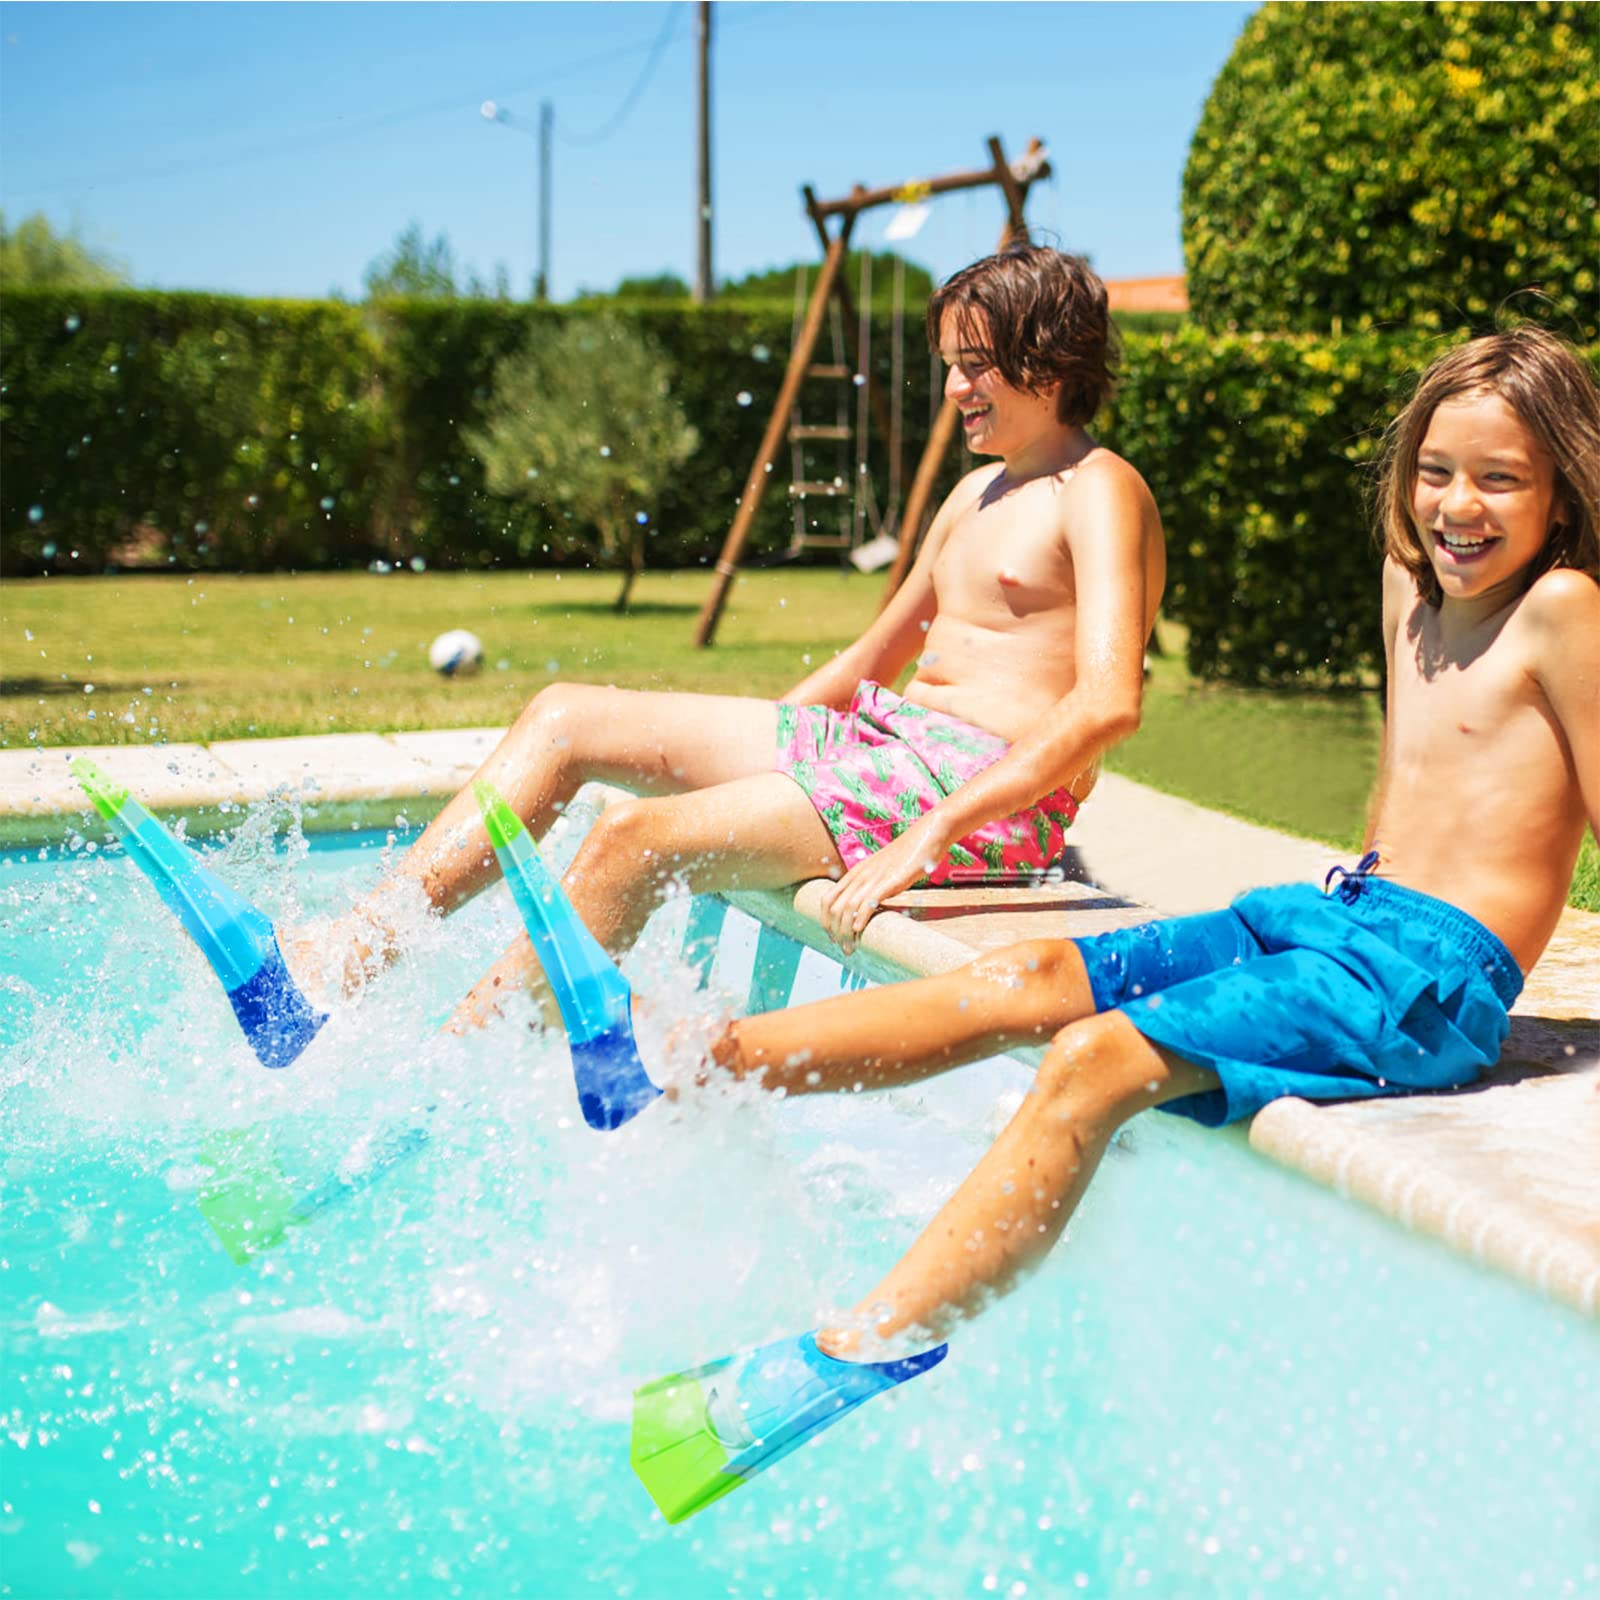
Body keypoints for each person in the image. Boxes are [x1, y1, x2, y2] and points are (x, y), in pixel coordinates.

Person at [630, 325, 1600, 1521]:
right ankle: (700, 1066)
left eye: (1500, 478)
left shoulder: (1562, 608)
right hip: (1334, 909)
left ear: (1563, 489)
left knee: (1096, 1060)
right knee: (1030, 975)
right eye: (1436, 469)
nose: (1457, 504)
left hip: (1426, 974)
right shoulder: (1410, 586)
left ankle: (860, 1347)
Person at [285, 245, 1166, 1036]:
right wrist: (762, 743)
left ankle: (459, 1066)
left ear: (1047, 364)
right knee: (564, 719)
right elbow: (870, 662)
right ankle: (350, 954)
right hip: (884, 751)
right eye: (949, 367)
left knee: (631, 843)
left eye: (975, 368)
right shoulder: (973, 496)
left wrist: (932, 833)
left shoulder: (1099, 489)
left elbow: (1107, 703)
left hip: (978, 791)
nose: (951, 391)